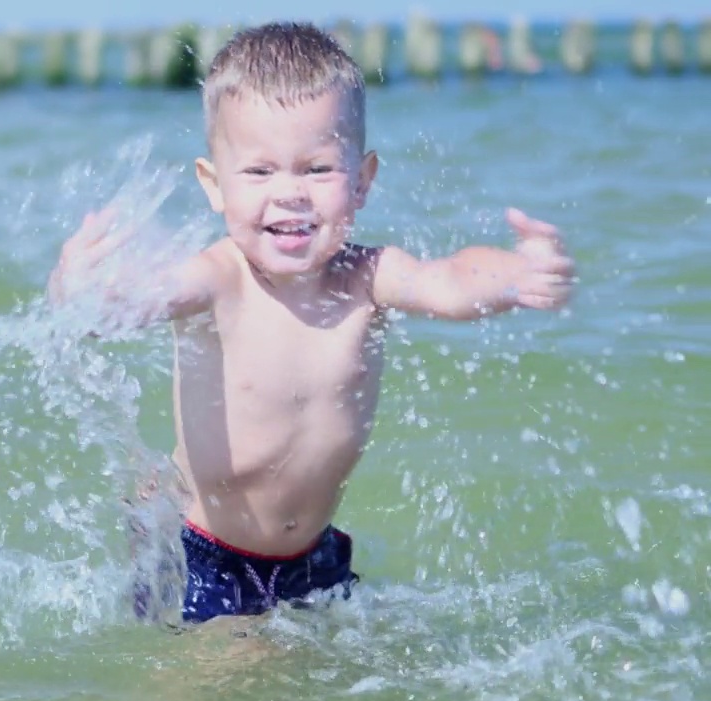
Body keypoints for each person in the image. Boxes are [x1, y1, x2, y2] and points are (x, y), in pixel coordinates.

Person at [45, 21, 575, 625]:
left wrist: (514, 276)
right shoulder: (218, 280)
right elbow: (130, 300)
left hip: (313, 556)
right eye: (259, 171)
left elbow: (448, 279)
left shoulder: (368, 278)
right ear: (215, 186)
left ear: (362, 181)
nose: (290, 193)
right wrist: (80, 288)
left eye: (317, 169)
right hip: (204, 556)